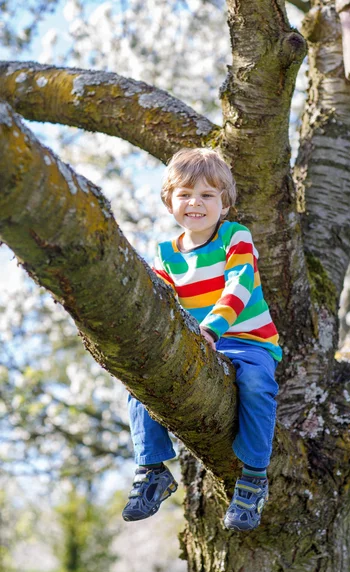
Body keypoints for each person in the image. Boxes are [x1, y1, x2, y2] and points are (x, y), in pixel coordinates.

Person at [122, 148, 282, 531]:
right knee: (139, 379)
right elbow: (161, 308)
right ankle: (152, 467)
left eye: (208, 195)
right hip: (199, 344)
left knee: (257, 385)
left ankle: (254, 476)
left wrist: (210, 329)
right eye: (185, 194)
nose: (196, 202)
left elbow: (240, 285)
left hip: (247, 340)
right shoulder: (164, 255)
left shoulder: (235, 237)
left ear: (224, 205)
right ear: (169, 202)